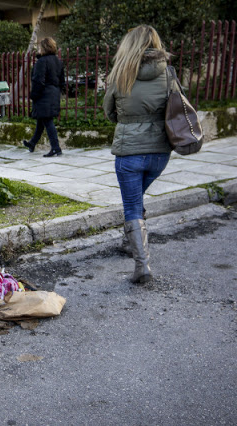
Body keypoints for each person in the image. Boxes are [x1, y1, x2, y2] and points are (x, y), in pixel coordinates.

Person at [103, 25, 172, 284]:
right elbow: (177, 108)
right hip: (160, 153)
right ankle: (129, 242)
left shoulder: (120, 74)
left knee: (132, 205)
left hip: (129, 153)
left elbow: (110, 113)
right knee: (137, 197)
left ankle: (142, 267)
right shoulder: (170, 73)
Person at [22, 37, 65, 157]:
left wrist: (34, 95)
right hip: (53, 93)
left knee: (47, 120)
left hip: (43, 95)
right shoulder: (58, 61)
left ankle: (56, 148)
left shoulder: (41, 62)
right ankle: (32, 143)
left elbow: (38, 81)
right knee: (42, 120)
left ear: (44, 48)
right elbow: (62, 81)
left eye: (40, 47)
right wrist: (56, 92)